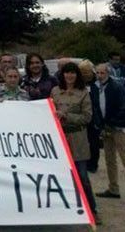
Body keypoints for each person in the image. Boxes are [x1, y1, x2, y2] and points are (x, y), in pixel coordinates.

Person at [51, 62, 98, 223]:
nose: (69, 76)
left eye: (72, 73)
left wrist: (66, 116)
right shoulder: (55, 91)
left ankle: (92, 210)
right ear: (62, 74)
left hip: (78, 138)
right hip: (60, 138)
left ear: (77, 75)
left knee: (82, 177)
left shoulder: (83, 93)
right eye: (66, 73)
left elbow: (87, 117)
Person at [93, 63, 125, 200]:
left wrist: (112, 122)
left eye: (102, 73)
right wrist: (101, 125)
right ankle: (113, 188)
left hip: (118, 126)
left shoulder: (116, 87)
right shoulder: (96, 88)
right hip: (106, 127)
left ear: (107, 73)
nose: (100, 76)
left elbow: (124, 107)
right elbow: (96, 107)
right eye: (98, 73)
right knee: (109, 159)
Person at [79, 59, 102, 173]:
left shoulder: (95, 85)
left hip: (92, 117)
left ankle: (92, 164)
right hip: (85, 116)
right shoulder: (82, 84)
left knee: (93, 142)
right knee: (89, 141)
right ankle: (89, 163)